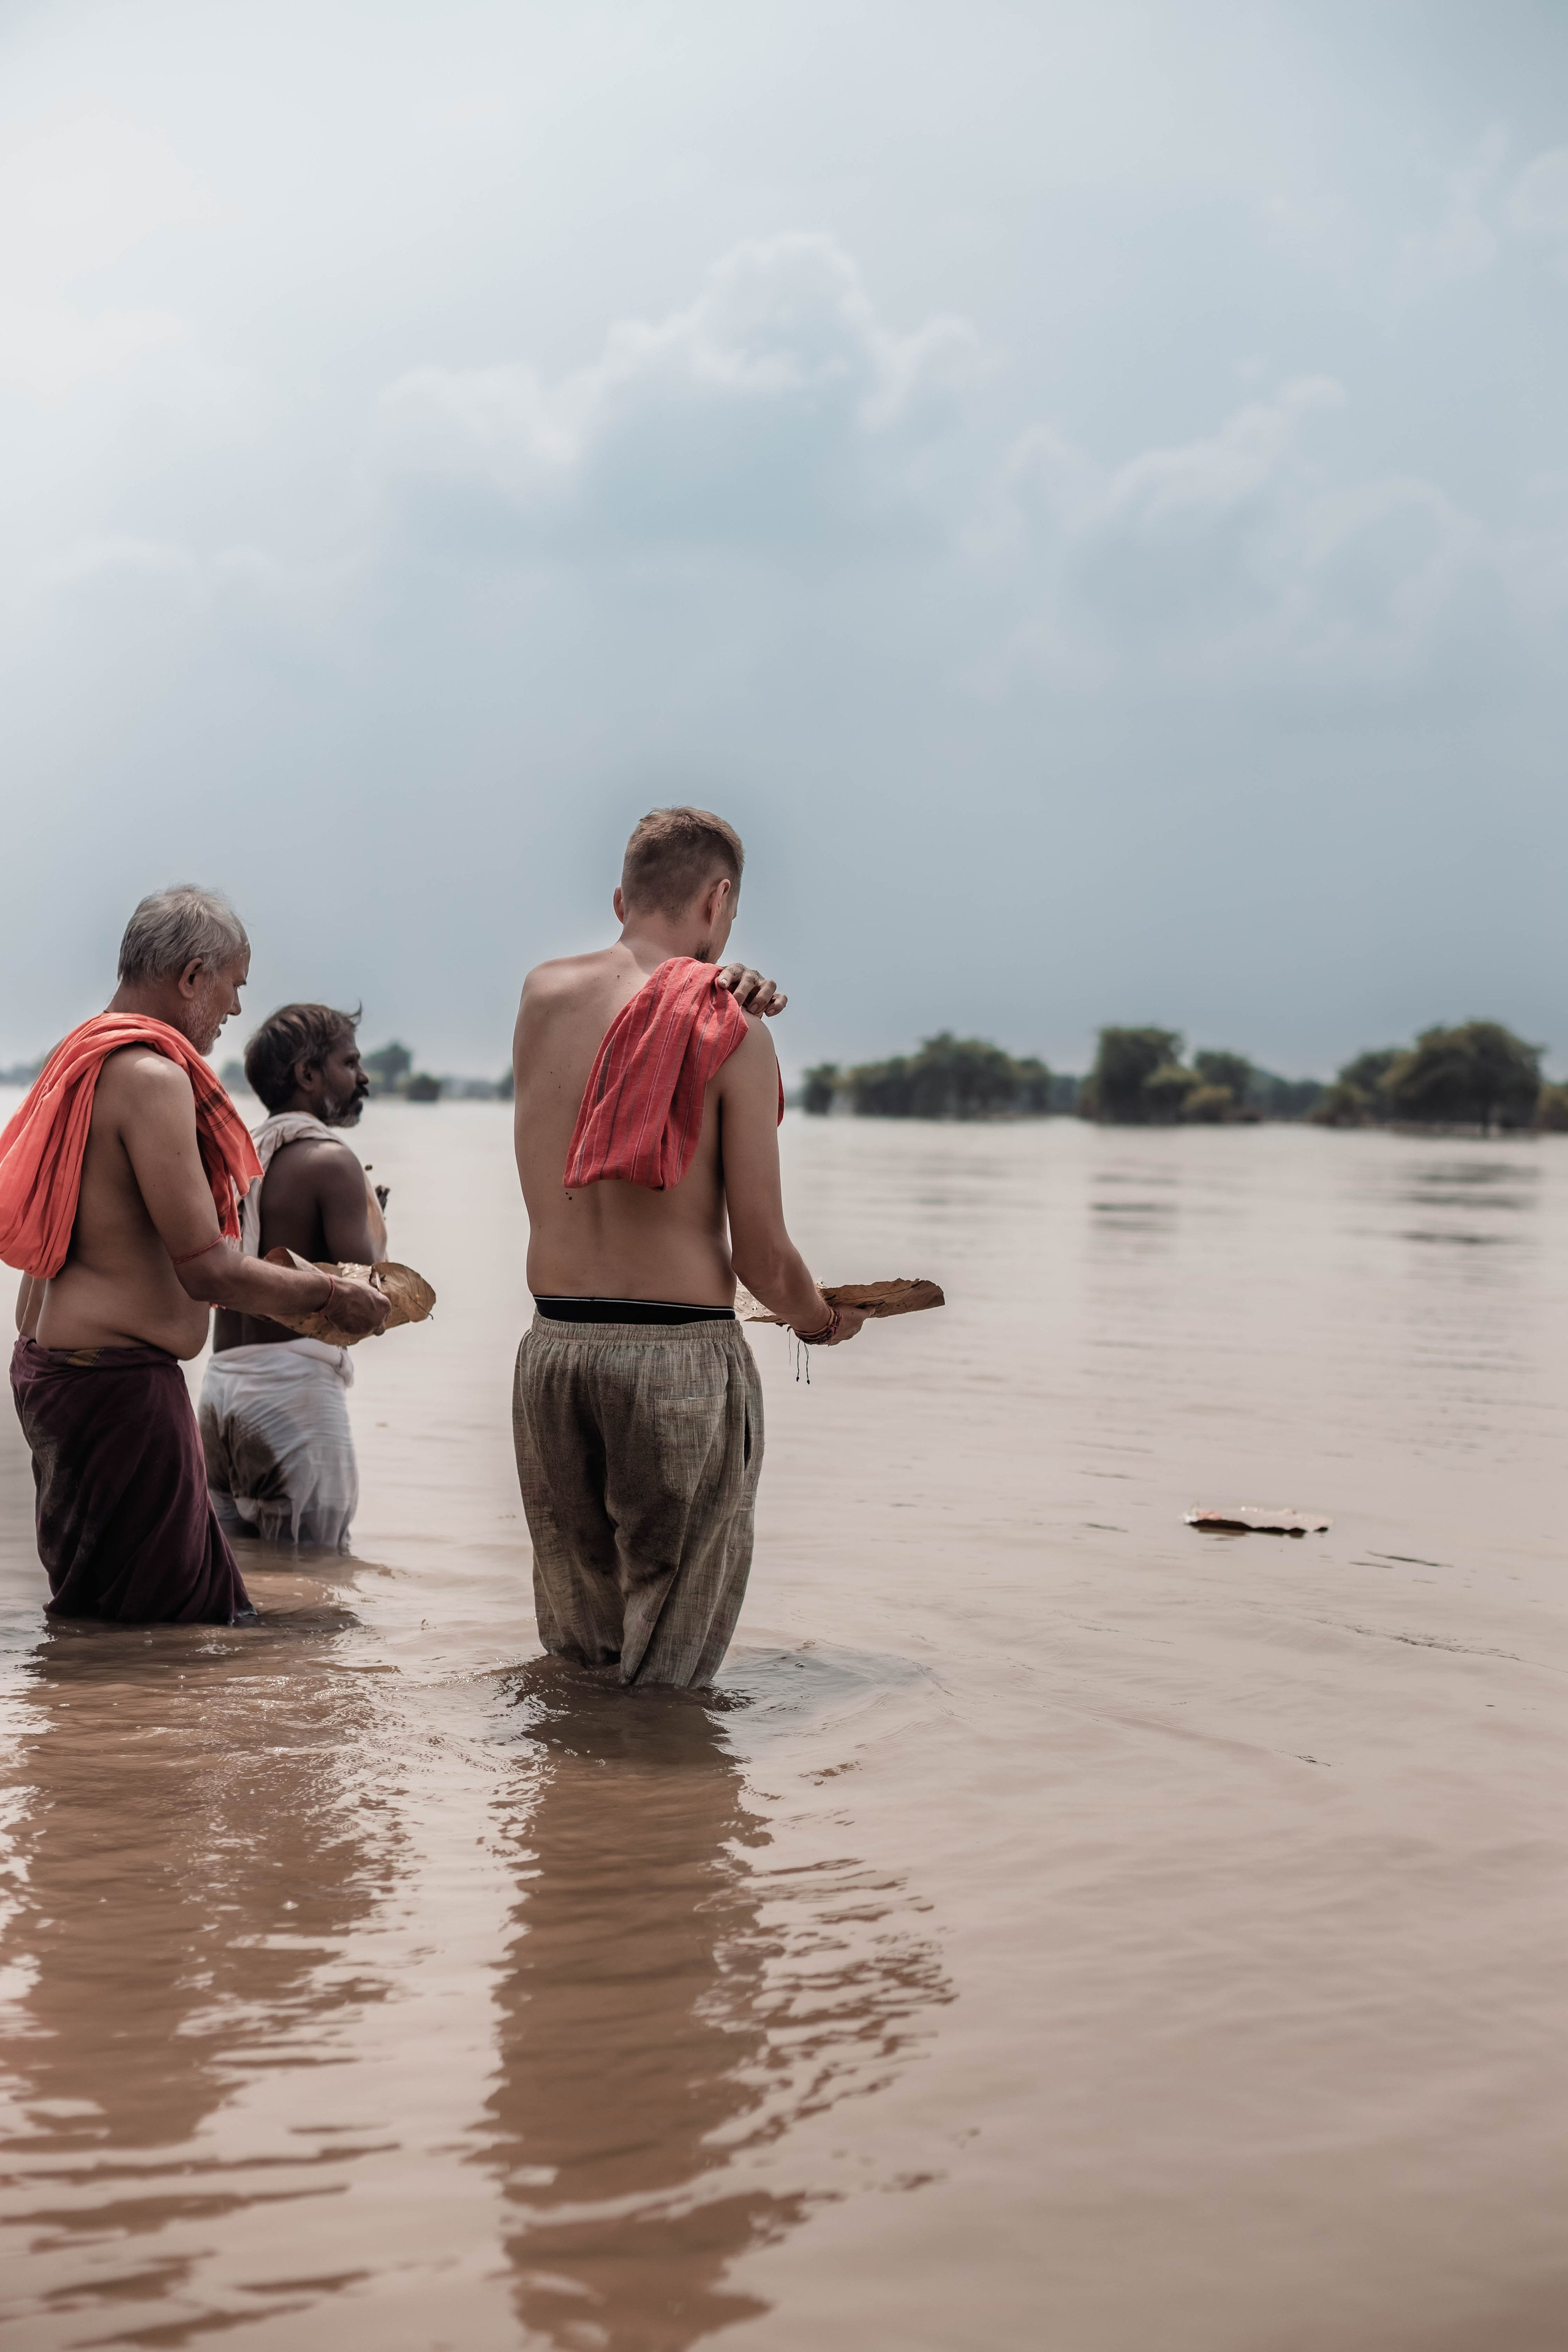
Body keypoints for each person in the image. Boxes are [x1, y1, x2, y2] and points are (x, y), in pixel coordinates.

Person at [511, 806, 865, 1690]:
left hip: (554, 1350)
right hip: (675, 1357)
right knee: (669, 1661)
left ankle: (575, 1810)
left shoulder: (542, 996)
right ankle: (656, 1815)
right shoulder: (732, 1028)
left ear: (622, 897)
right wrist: (822, 1322)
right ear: (719, 900)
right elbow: (763, 1260)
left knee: (579, 1645)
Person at [1, 888, 388, 1626]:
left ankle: (79, 1739)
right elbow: (206, 1269)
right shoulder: (148, 1075)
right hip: (115, 1389)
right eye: (233, 986)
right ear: (192, 976)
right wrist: (333, 1298)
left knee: (120, 1620)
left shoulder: (80, 1054)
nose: (236, 1011)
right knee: (158, 1635)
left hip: (62, 1373)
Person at [199, 1003, 387, 1550]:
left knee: (245, 1577)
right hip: (293, 1398)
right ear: (308, 1075)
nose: (362, 1078)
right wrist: (375, 1217)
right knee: (315, 1587)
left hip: (219, 1393)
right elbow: (367, 1291)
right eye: (349, 1063)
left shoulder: (243, 1159)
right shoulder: (330, 1161)